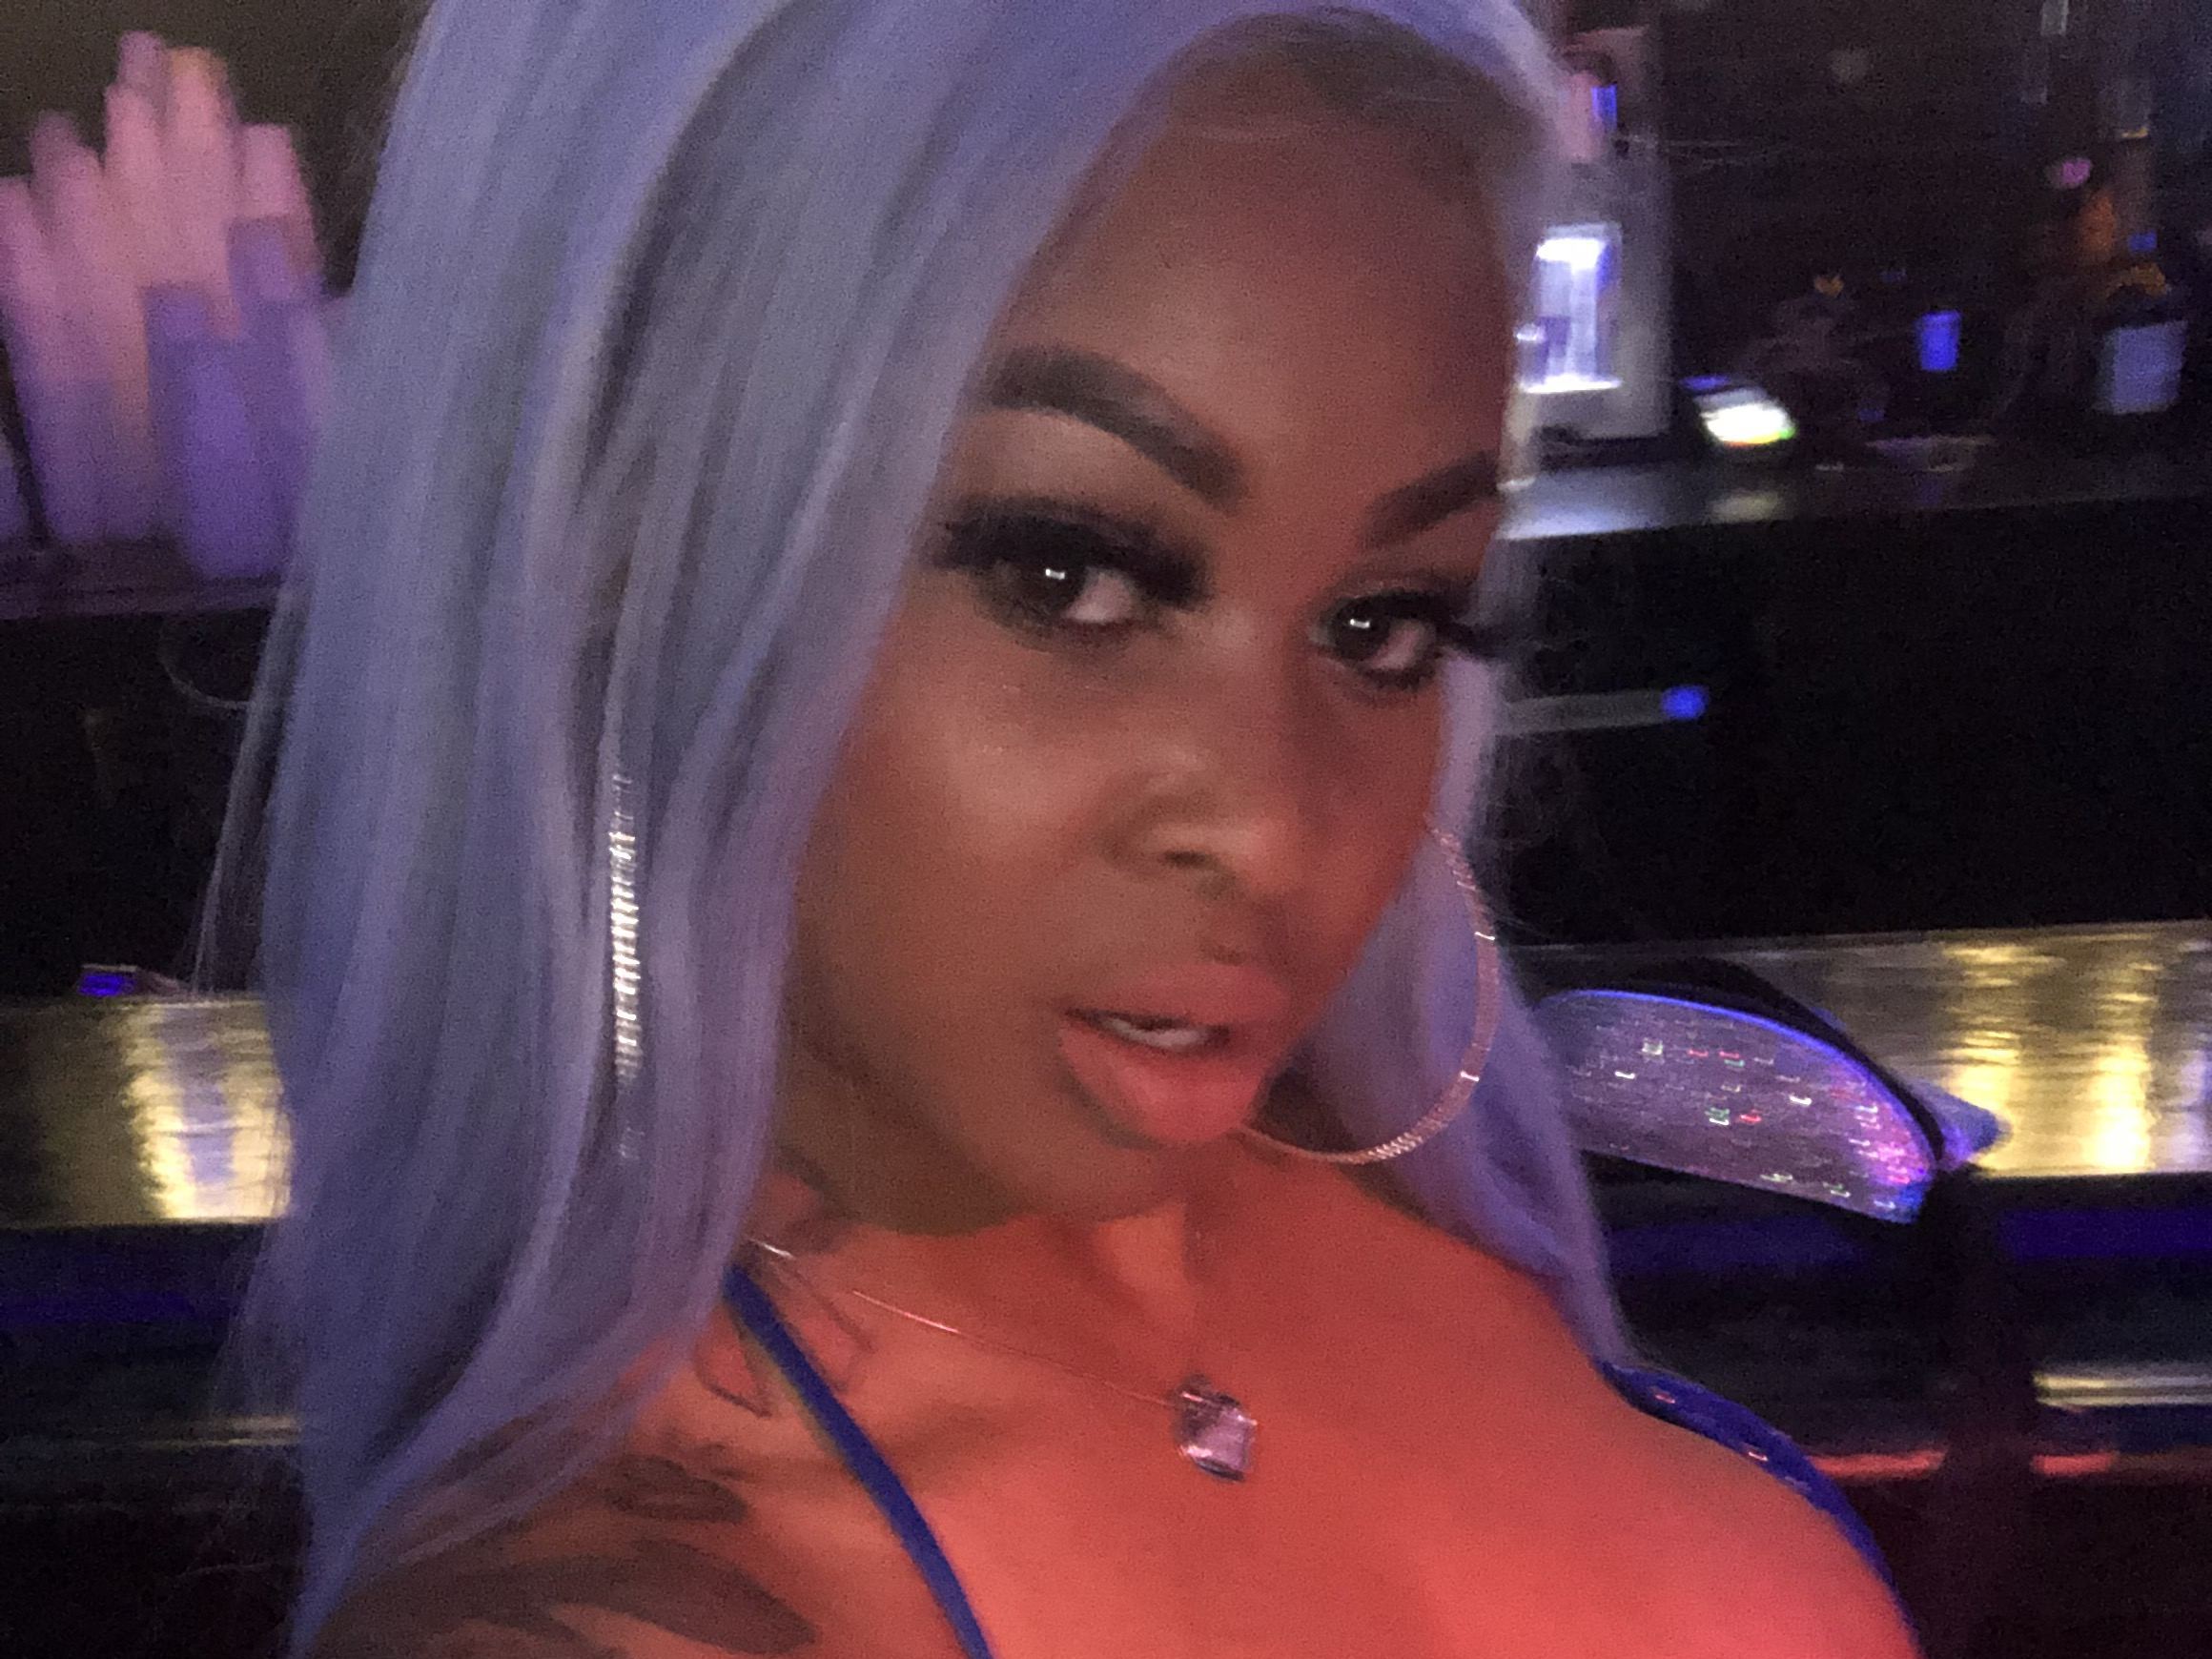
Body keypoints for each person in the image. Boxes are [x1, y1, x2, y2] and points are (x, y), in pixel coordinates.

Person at [220, 3, 1920, 1653]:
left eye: (1383, 621)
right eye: (1068, 575)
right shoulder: (631, 1610)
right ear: (634, 548)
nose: (1274, 830)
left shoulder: (1409, 1191)